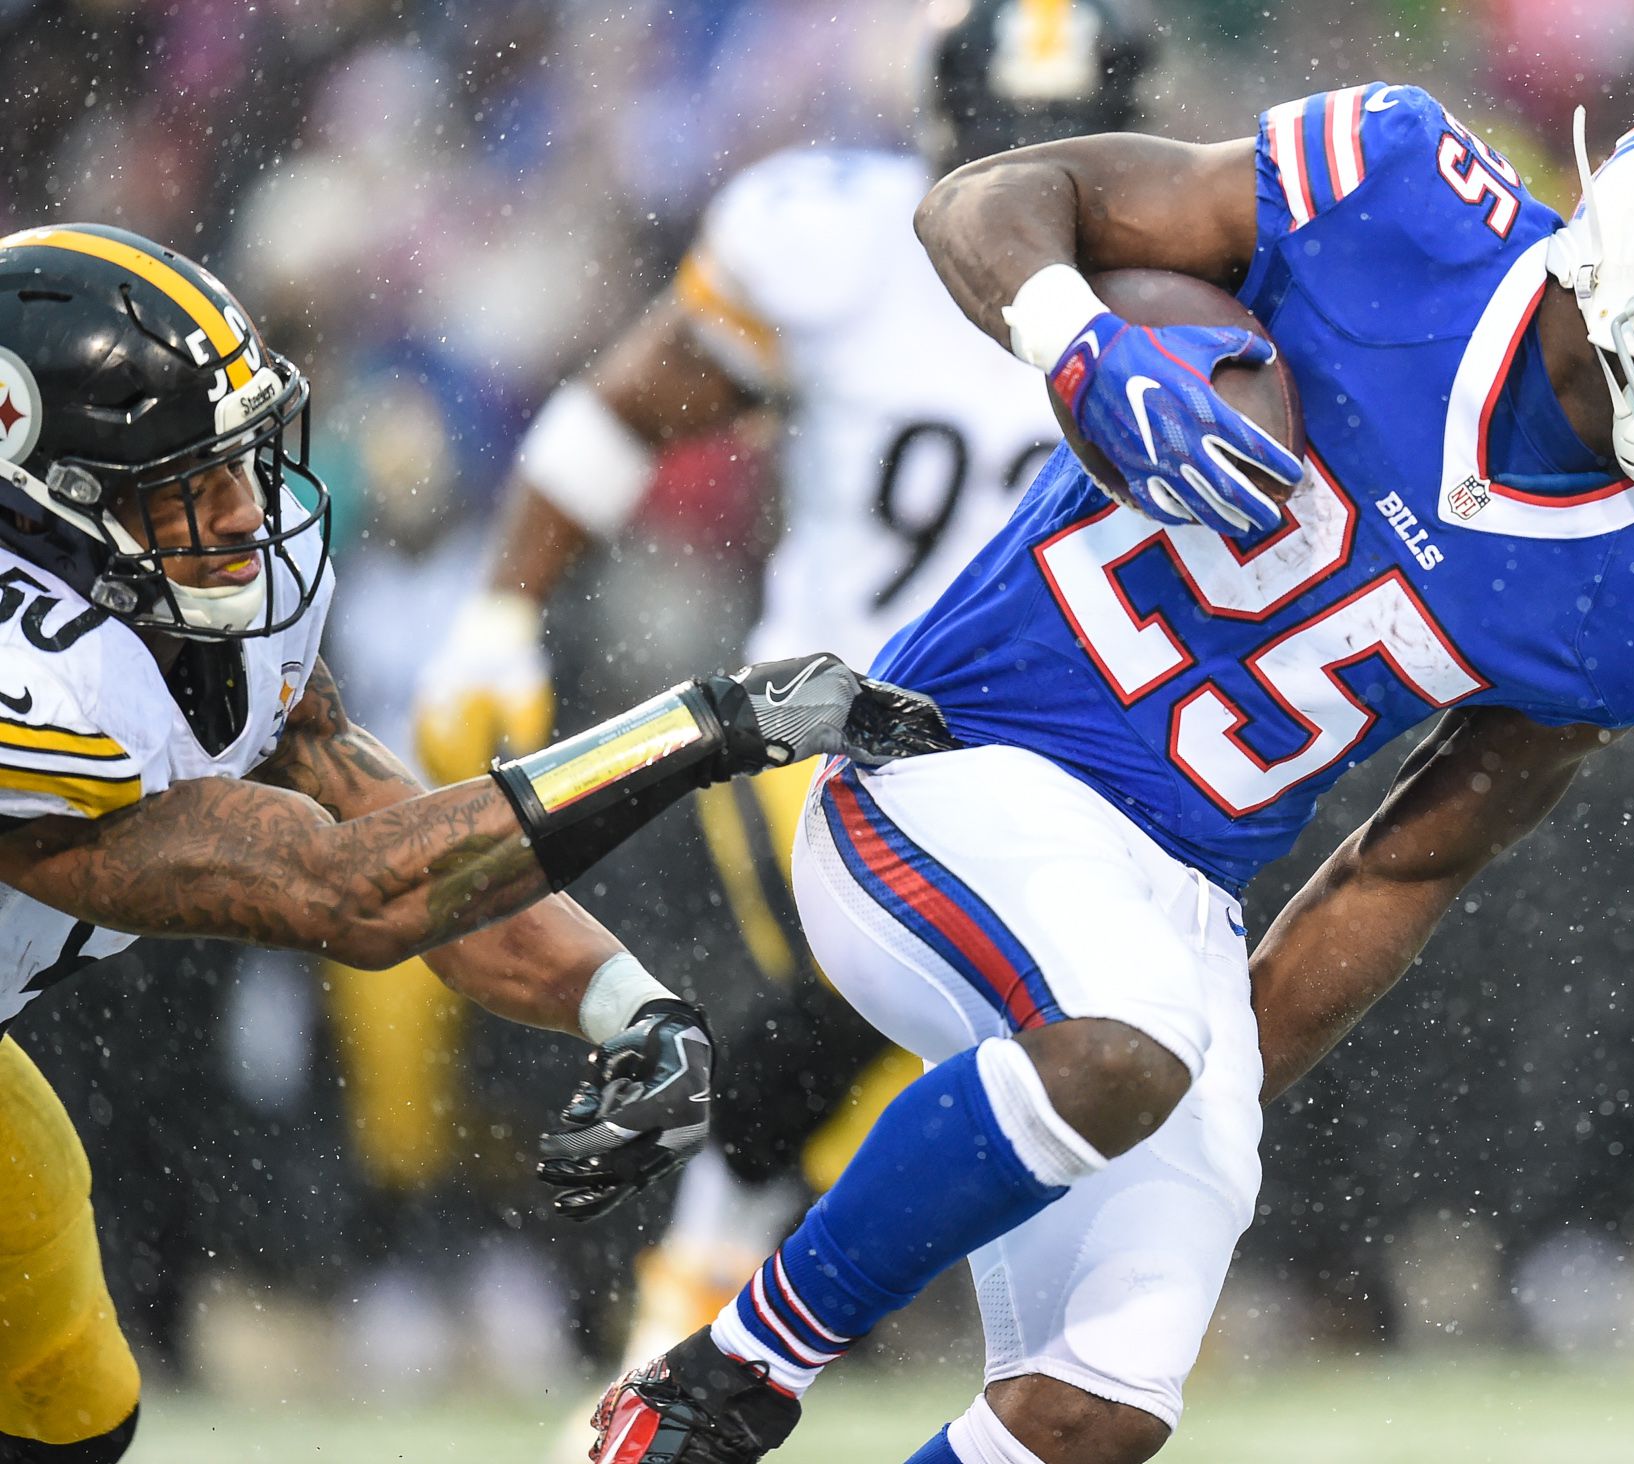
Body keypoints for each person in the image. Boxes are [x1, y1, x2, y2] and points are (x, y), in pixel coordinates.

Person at [591, 86, 1634, 1464]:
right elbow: (982, 202)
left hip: (1175, 902)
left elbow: (1409, 863)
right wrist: (1079, 343)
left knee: (1099, 1405)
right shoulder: (1398, 195)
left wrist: (1208, 1094)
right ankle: (721, 1382)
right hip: (954, 763)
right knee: (1125, 1035)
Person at [0, 223, 944, 1463]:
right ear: (47, 497)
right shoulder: (38, 683)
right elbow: (342, 894)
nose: (242, 510)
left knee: (70, 1411)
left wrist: (625, 1006)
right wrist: (706, 726)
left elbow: (392, 828)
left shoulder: (194, 612)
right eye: (185, 480)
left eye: (236, 459)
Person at [408, 0, 1152, 1403]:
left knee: (1034, 1047)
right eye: (1008, 147)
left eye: (1065, 148)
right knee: (862, 1000)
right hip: (826, 718)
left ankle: (782, 1307)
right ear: (941, 134)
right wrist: (504, 608)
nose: (1030, 184)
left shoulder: (1201, 283)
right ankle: (698, 1315)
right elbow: (626, 408)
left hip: (1066, 747)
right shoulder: (830, 240)